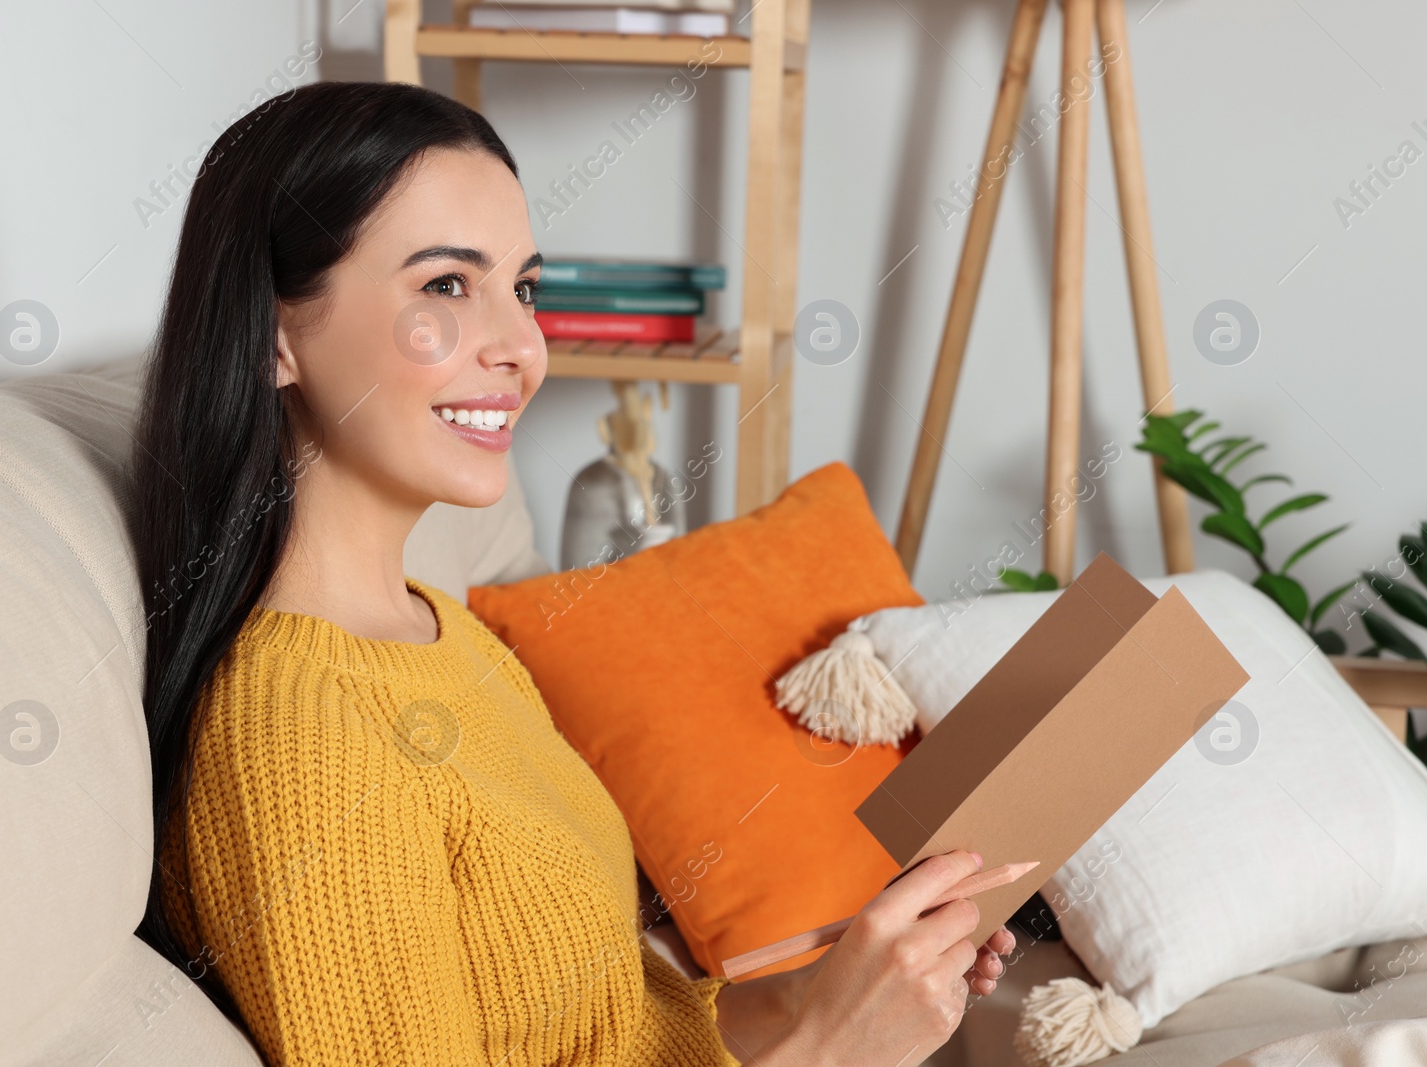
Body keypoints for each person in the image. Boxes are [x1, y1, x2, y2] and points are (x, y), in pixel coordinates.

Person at [131, 80, 1014, 1067]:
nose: (520, 346)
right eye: (446, 285)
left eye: (524, 287)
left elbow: (614, 1022)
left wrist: (826, 988)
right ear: (271, 335)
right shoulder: (300, 730)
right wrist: (832, 1047)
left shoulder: (442, 632)